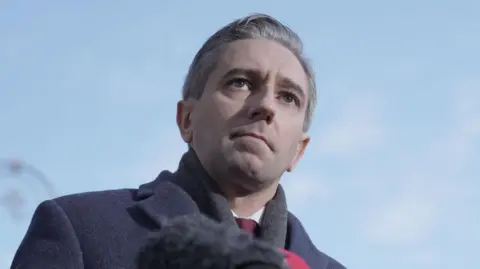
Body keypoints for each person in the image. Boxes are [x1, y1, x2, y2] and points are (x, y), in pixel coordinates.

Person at [11, 13, 346, 269]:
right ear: (187, 119)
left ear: (299, 151)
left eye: (288, 97)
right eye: (241, 83)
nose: (265, 106)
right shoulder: (79, 227)